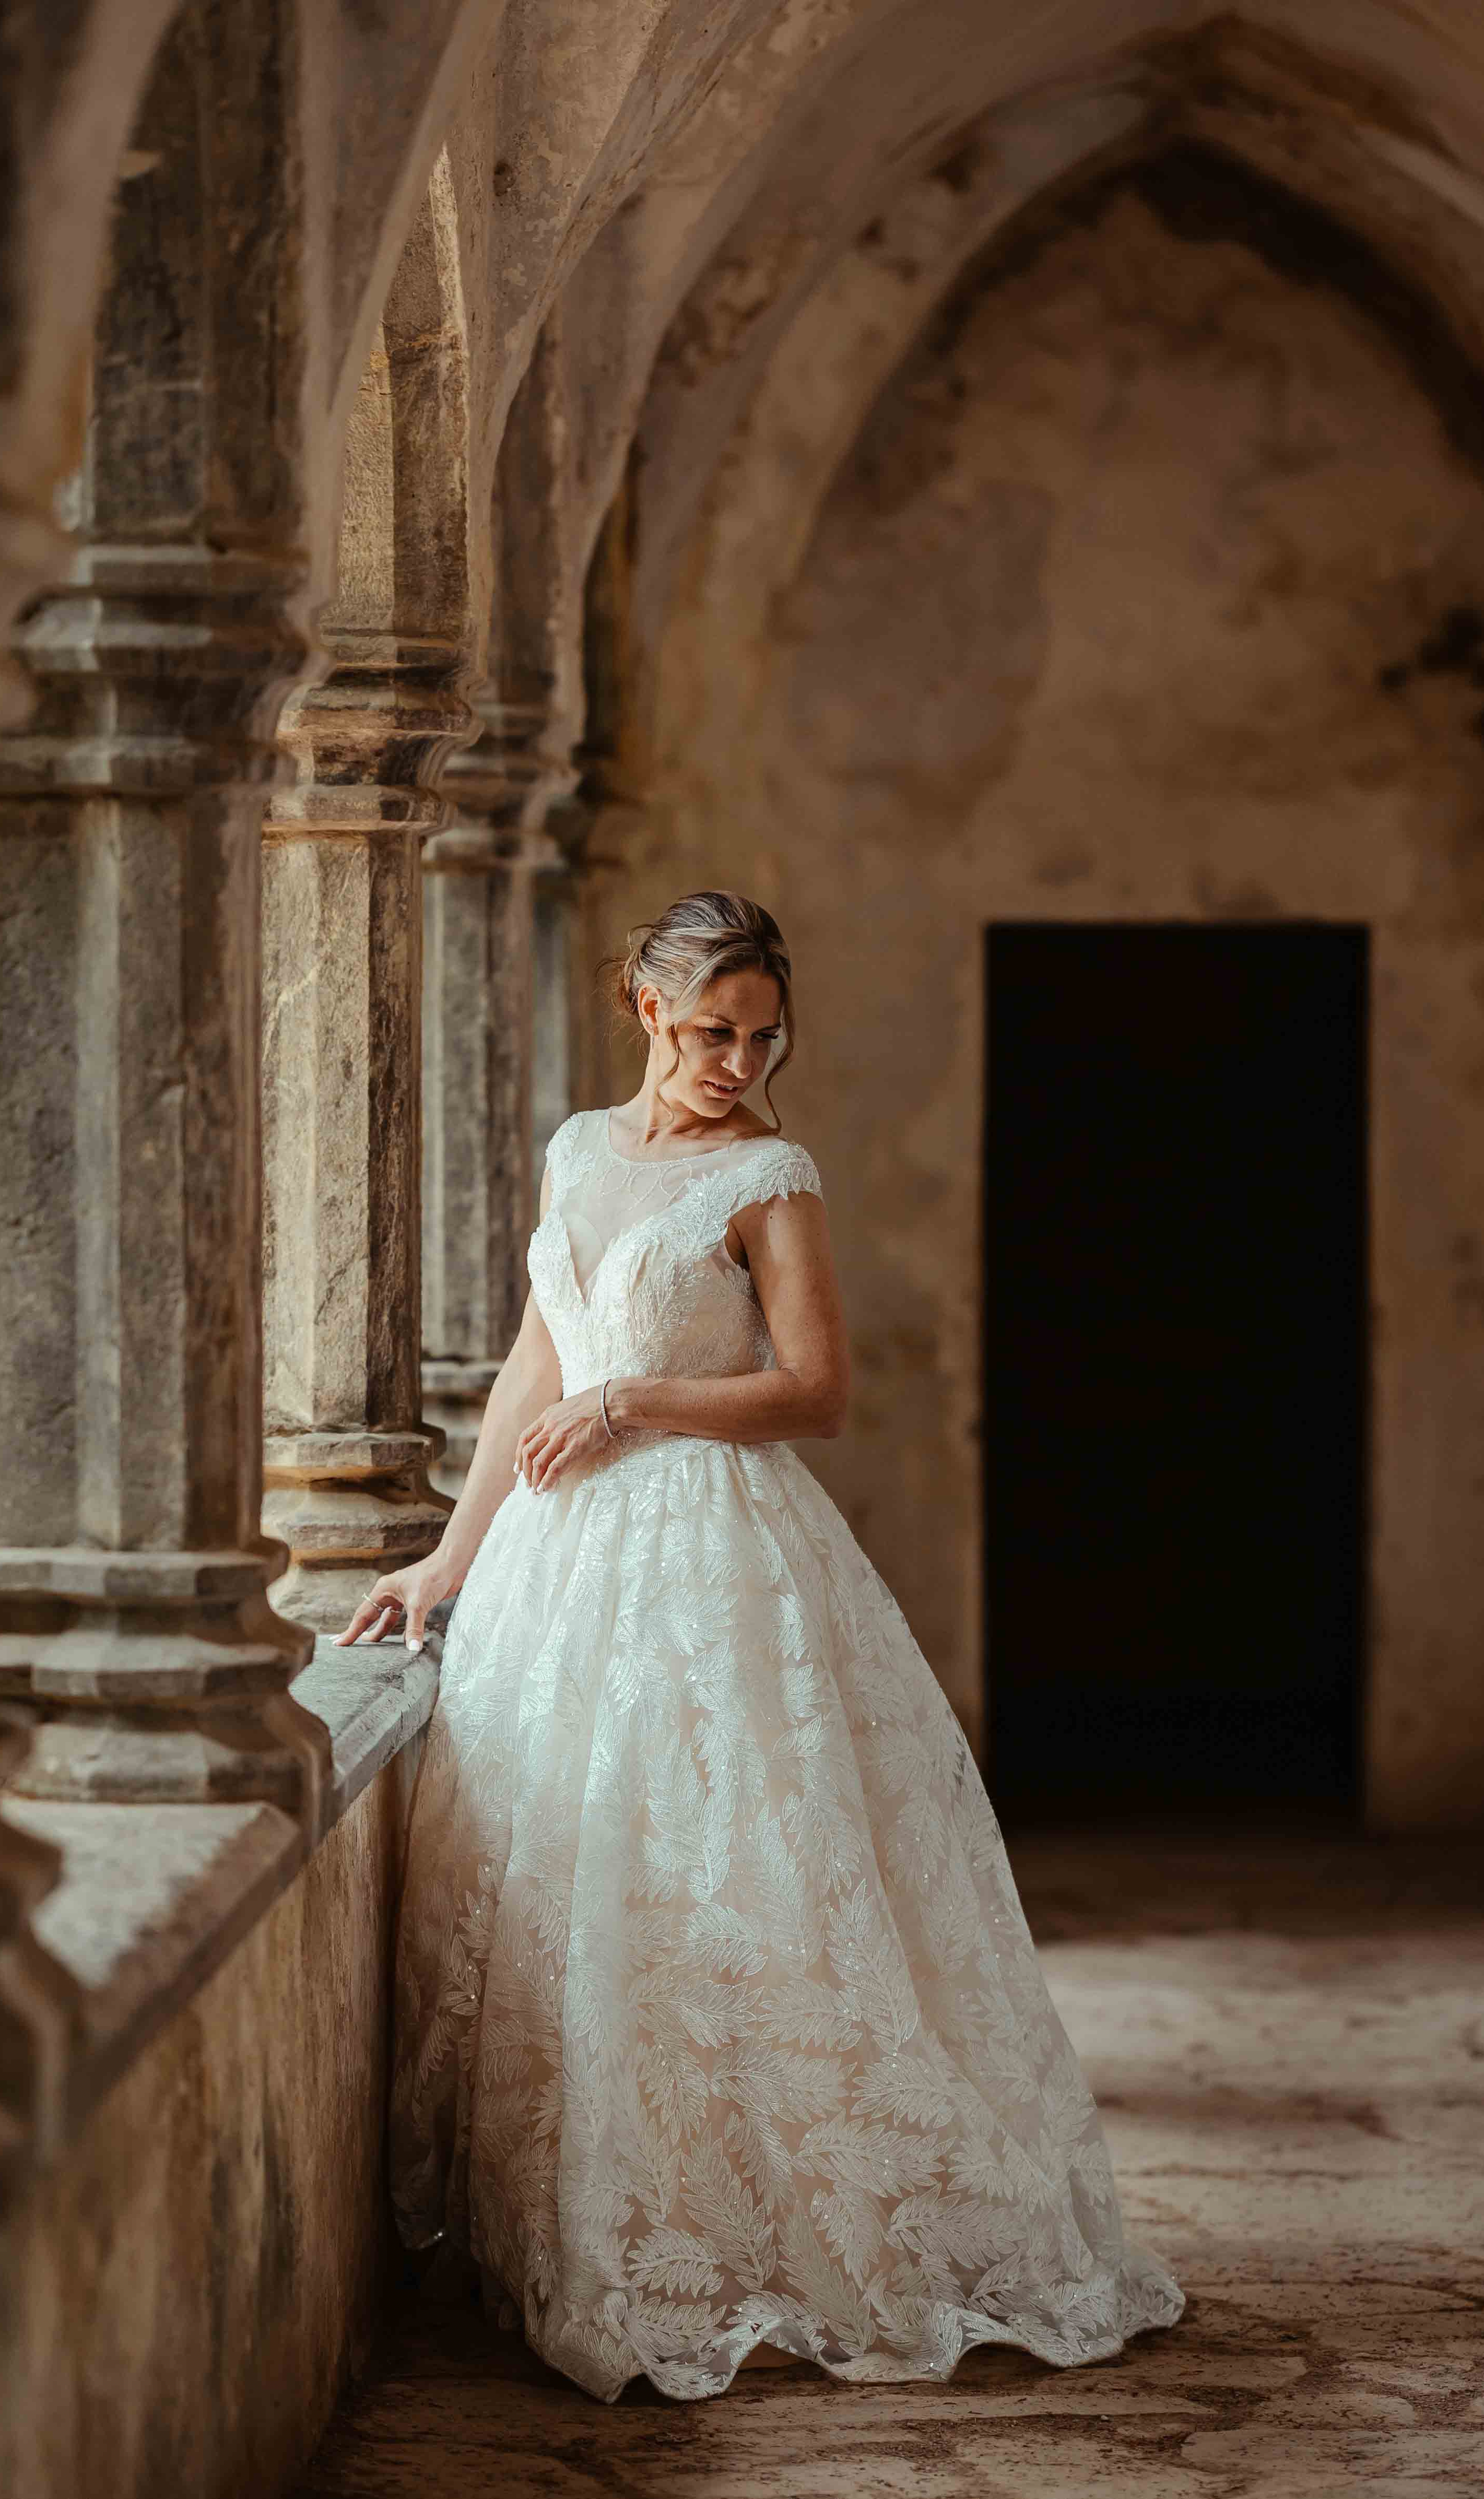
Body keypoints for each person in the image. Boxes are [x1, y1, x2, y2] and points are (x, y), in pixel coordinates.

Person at [337, 889, 1183, 2401]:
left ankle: (783, 2227)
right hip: (555, 1569)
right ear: (642, 1005)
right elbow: (542, 1350)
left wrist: (636, 1405)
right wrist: (450, 1559)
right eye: (713, 1027)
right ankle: (586, 2217)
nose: (739, 1056)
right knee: (583, 1886)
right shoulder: (579, 1151)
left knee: (746, 1875)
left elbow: (818, 1391)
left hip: (717, 1552)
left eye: (763, 1031)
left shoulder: (771, 1175)